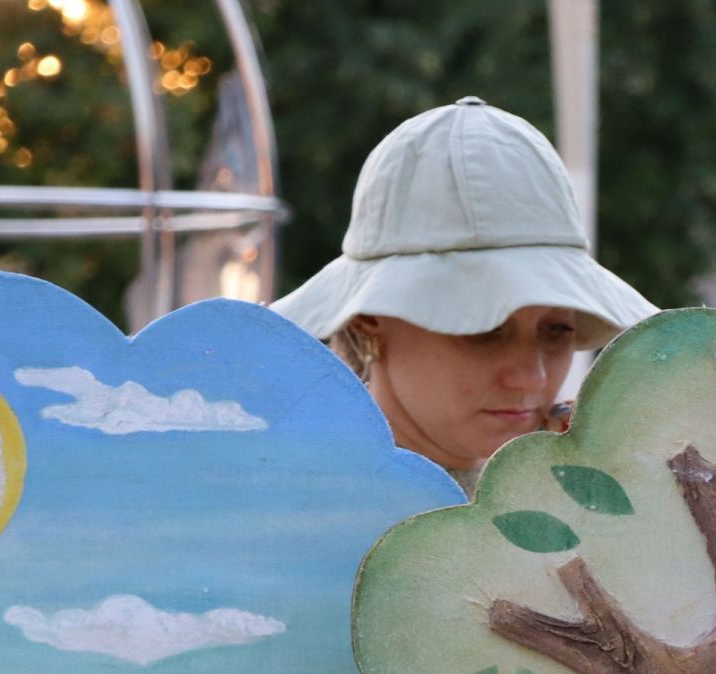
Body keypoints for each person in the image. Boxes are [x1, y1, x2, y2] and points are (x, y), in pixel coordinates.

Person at [271, 97, 655, 493]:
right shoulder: (297, 509)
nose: (532, 377)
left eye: (557, 329)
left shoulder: (564, 492)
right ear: (367, 322)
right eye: (483, 327)